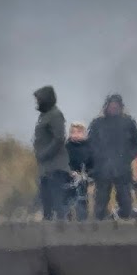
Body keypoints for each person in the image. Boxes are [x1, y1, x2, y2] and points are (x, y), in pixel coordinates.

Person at [88, 94, 137, 221]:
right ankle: (98, 229)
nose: (113, 108)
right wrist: (97, 158)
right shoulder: (97, 124)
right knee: (100, 202)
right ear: (106, 107)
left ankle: (124, 227)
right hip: (102, 169)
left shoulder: (128, 123)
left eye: (116, 106)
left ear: (120, 107)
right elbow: (90, 144)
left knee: (126, 202)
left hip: (122, 168)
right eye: (111, 106)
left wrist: (127, 157)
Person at [33, 85, 71, 221]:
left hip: (56, 167)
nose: (37, 102)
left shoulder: (55, 114)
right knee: (46, 203)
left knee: (58, 202)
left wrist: (44, 154)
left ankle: (63, 234)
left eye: (39, 99)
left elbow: (59, 138)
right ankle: (47, 234)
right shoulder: (44, 116)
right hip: (46, 168)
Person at [66, 122, 93, 221]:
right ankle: (65, 223)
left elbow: (94, 164)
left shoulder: (89, 148)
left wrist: (88, 174)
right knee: (67, 202)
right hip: (68, 179)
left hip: (84, 178)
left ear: (84, 133)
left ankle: (82, 224)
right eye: (73, 132)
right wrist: (70, 172)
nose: (76, 134)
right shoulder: (67, 147)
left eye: (79, 132)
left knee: (81, 200)